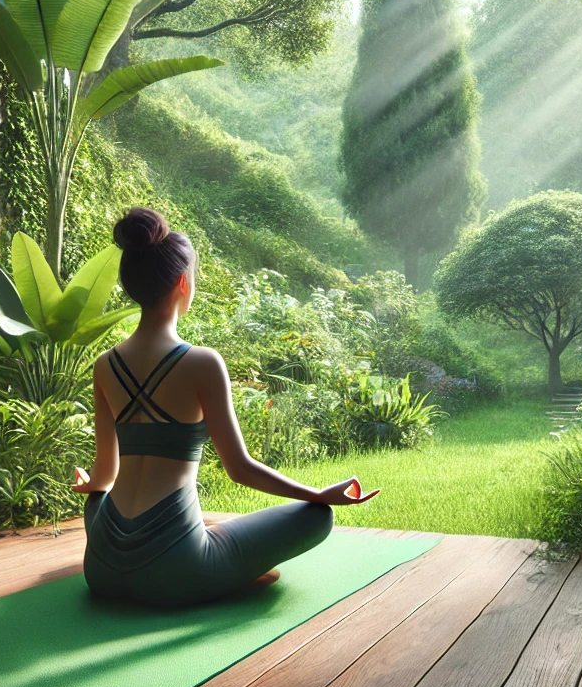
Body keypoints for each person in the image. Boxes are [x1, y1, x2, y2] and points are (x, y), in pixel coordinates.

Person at [73, 206, 380, 608]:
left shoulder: (104, 365)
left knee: (99, 499)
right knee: (316, 518)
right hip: (176, 572)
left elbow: (104, 474)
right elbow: (240, 469)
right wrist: (319, 495)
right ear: (182, 283)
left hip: (102, 570)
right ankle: (222, 564)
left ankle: (197, 543)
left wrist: (89, 485)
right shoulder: (202, 363)